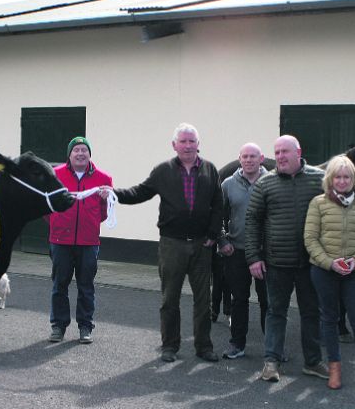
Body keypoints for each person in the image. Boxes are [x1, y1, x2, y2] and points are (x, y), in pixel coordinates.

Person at [113, 123, 222, 363]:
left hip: (201, 245)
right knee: (169, 298)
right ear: (174, 145)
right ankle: (170, 346)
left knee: (203, 299)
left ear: (198, 144)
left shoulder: (210, 170)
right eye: (182, 141)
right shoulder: (162, 171)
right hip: (172, 244)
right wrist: (114, 194)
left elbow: (218, 204)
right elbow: (140, 192)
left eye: (191, 141)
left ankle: (204, 346)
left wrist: (213, 234)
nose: (187, 145)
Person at [245, 135, 328, 382]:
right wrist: (253, 257)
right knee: (275, 312)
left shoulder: (319, 179)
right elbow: (252, 221)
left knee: (311, 312)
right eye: (277, 152)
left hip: (310, 263)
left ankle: (313, 362)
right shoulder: (265, 183)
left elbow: (333, 213)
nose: (280, 156)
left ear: (298, 152)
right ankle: (271, 362)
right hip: (276, 263)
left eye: (285, 152)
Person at [304, 155, 355, 392]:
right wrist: (330, 262)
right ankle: (335, 369)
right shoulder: (318, 203)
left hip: (354, 271)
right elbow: (310, 238)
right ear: (330, 178)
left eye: (346, 176)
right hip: (325, 270)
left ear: (353, 179)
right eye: (337, 176)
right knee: (329, 318)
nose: (341, 181)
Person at [47, 136, 112, 344]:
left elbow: (104, 212)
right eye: (76, 150)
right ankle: (58, 326)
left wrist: (91, 222)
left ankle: (85, 326)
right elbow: (46, 207)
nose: (81, 153)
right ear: (69, 154)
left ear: (89, 154)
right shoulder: (54, 175)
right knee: (60, 285)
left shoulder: (104, 179)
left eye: (84, 150)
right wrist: (58, 222)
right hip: (60, 240)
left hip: (88, 241)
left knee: (86, 286)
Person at [217, 142, 269, 359]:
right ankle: (237, 344)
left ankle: (273, 347)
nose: (248, 160)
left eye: (253, 156)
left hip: (266, 253)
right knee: (239, 299)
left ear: (261, 158)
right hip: (236, 251)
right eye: (245, 156)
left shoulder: (273, 182)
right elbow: (217, 216)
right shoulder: (228, 184)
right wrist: (222, 241)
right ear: (240, 159)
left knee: (269, 302)